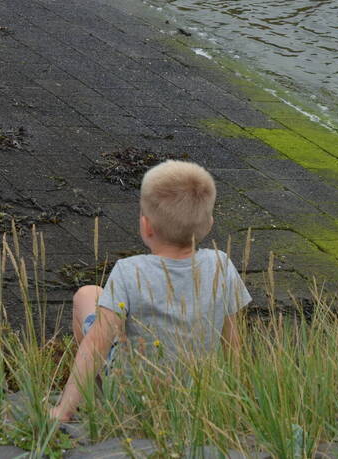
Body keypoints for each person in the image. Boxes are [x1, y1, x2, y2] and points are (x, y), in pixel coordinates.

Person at [51, 160, 250, 422]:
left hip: (134, 396)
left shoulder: (128, 271)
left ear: (146, 226)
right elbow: (233, 341)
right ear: (209, 223)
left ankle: (93, 394)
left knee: (86, 295)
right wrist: (234, 398)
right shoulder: (222, 265)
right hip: (197, 393)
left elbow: (97, 342)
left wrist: (62, 411)